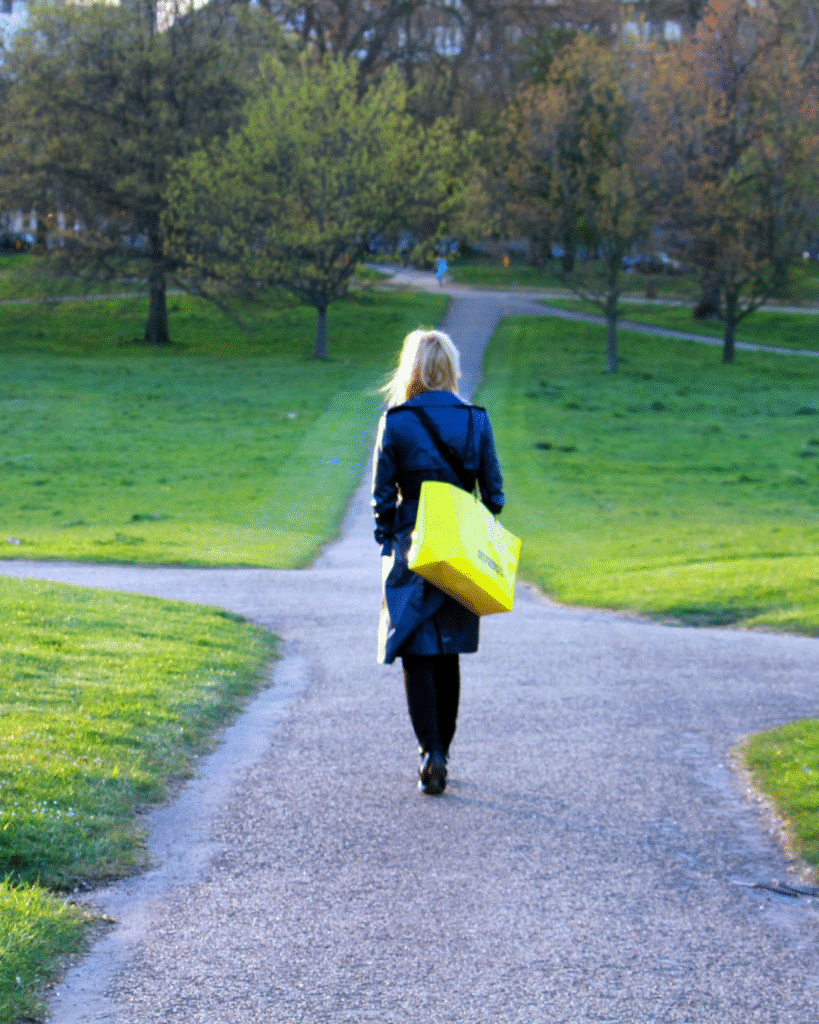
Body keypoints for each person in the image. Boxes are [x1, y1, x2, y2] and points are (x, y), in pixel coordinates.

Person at [371, 329, 505, 795]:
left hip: (412, 546)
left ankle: (430, 751)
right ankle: (442, 750)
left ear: (411, 369)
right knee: (448, 652)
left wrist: (389, 543)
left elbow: (382, 500)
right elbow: (496, 496)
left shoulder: (396, 421)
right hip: (460, 548)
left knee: (415, 650)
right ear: (449, 368)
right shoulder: (476, 421)